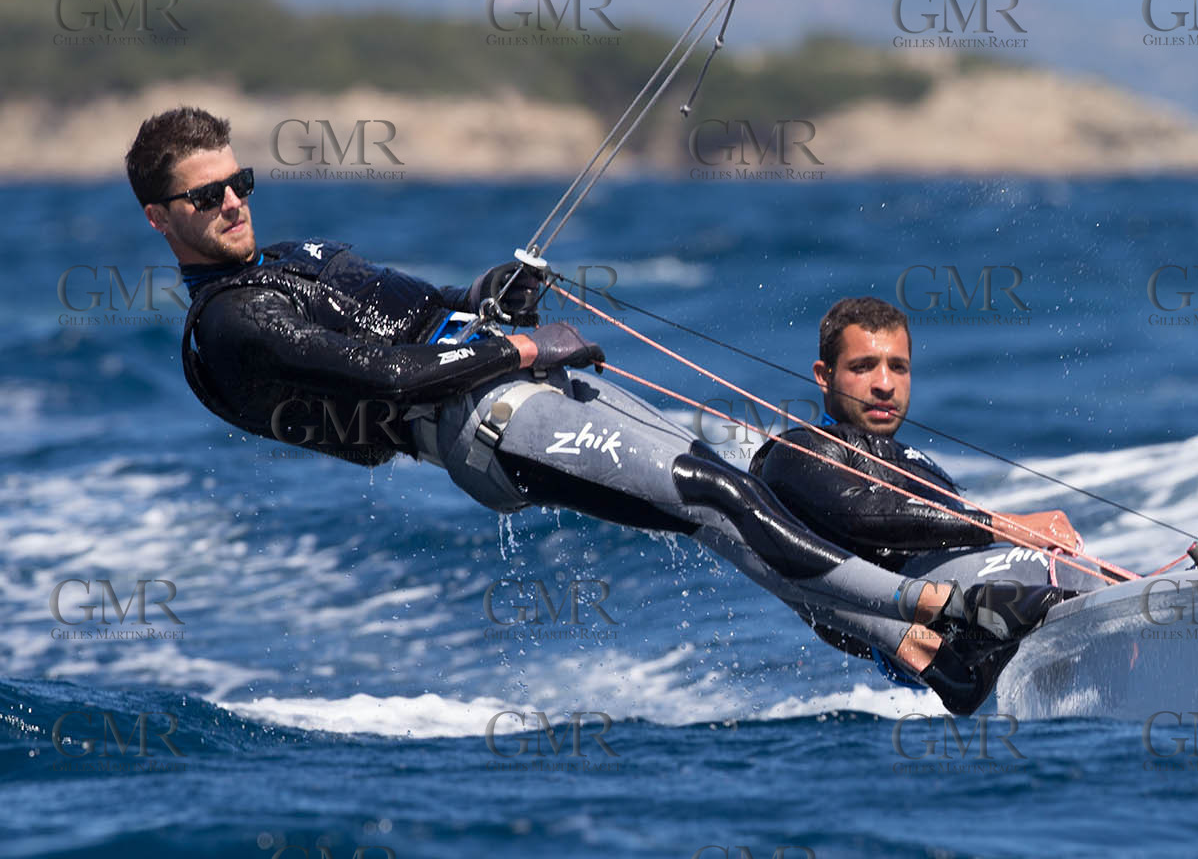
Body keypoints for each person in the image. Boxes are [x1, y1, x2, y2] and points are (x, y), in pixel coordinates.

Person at [128, 107, 1066, 714]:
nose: (232, 204)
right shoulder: (234, 324)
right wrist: (519, 349)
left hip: (512, 381)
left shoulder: (290, 257)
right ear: (159, 217)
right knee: (709, 493)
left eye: (239, 183)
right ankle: (944, 608)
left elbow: (431, 315)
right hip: (477, 424)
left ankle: (923, 649)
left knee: (739, 480)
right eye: (205, 196)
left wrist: (494, 303)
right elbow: (392, 377)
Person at [751, 296, 1096, 696]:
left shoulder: (914, 463)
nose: (884, 384)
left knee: (1083, 577)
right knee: (1051, 591)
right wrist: (1004, 525)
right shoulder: (799, 451)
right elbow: (864, 516)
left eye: (898, 367)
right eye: (863, 367)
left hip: (983, 608)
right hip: (917, 627)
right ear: (824, 375)